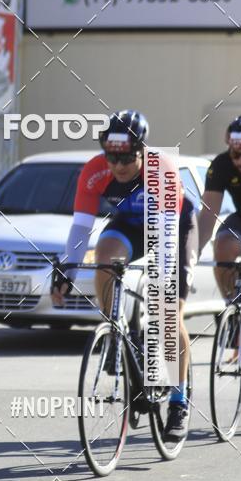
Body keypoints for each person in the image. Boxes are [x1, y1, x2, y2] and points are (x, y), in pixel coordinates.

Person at [51, 110, 198, 441]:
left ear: (142, 151)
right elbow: (80, 229)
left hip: (172, 228)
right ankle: (117, 334)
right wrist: (66, 269)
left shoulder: (163, 173)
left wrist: (163, 285)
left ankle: (179, 400)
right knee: (103, 259)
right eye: (112, 157)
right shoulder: (94, 171)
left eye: (126, 158)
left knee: (168, 314)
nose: (117, 166)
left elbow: (164, 242)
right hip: (129, 227)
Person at [198, 115, 241, 299]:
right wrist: (191, 253)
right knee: (223, 244)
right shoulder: (222, 164)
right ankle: (233, 309)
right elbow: (207, 215)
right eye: (235, 154)